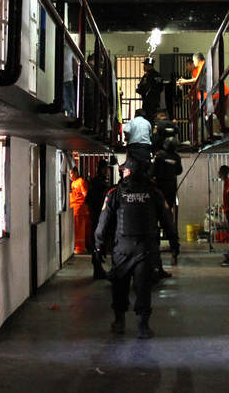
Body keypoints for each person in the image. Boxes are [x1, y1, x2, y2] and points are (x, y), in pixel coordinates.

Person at [94, 157, 180, 339]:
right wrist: (174, 243)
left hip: (122, 249)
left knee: (119, 285)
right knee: (143, 287)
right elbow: (168, 220)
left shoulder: (115, 193)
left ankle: (119, 323)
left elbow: (103, 221)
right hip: (146, 249)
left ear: (130, 171)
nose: (123, 172)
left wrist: (98, 246)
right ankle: (143, 327)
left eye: (125, 170)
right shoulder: (154, 192)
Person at [151, 138, 183, 277]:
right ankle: (174, 250)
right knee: (169, 223)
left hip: (159, 194)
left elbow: (152, 173)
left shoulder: (159, 157)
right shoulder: (176, 157)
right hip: (170, 195)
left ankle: (154, 250)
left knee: (154, 223)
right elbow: (179, 171)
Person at [84, 165, 110, 279]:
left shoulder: (94, 183)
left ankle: (97, 268)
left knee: (96, 242)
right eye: (105, 169)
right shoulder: (101, 184)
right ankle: (98, 269)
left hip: (95, 216)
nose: (107, 171)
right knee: (98, 243)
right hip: (99, 216)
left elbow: (87, 200)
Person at [69, 165, 88, 253]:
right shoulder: (73, 183)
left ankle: (79, 248)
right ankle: (77, 247)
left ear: (76, 173)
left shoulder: (81, 182)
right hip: (74, 209)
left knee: (79, 229)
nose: (70, 176)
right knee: (76, 229)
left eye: (71, 174)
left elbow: (86, 195)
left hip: (79, 209)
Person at [218, 164, 229, 266]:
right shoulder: (227, 182)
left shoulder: (228, 183)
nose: (218, 174)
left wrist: (227, 210)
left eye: (220, 172)